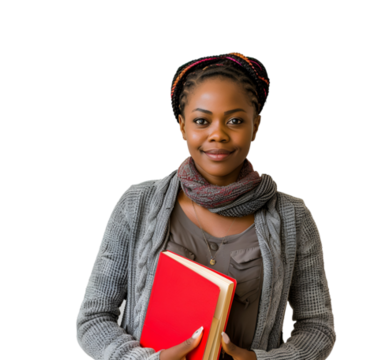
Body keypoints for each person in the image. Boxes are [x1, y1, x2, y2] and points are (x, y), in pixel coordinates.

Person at [74, 50, 336, 359]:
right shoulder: (137, 203)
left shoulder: (293, 217)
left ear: (257, 125)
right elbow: (93, 320)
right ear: (183, 126)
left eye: (235, 121)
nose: (218, 135)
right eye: (202, 120)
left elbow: (318, 328)